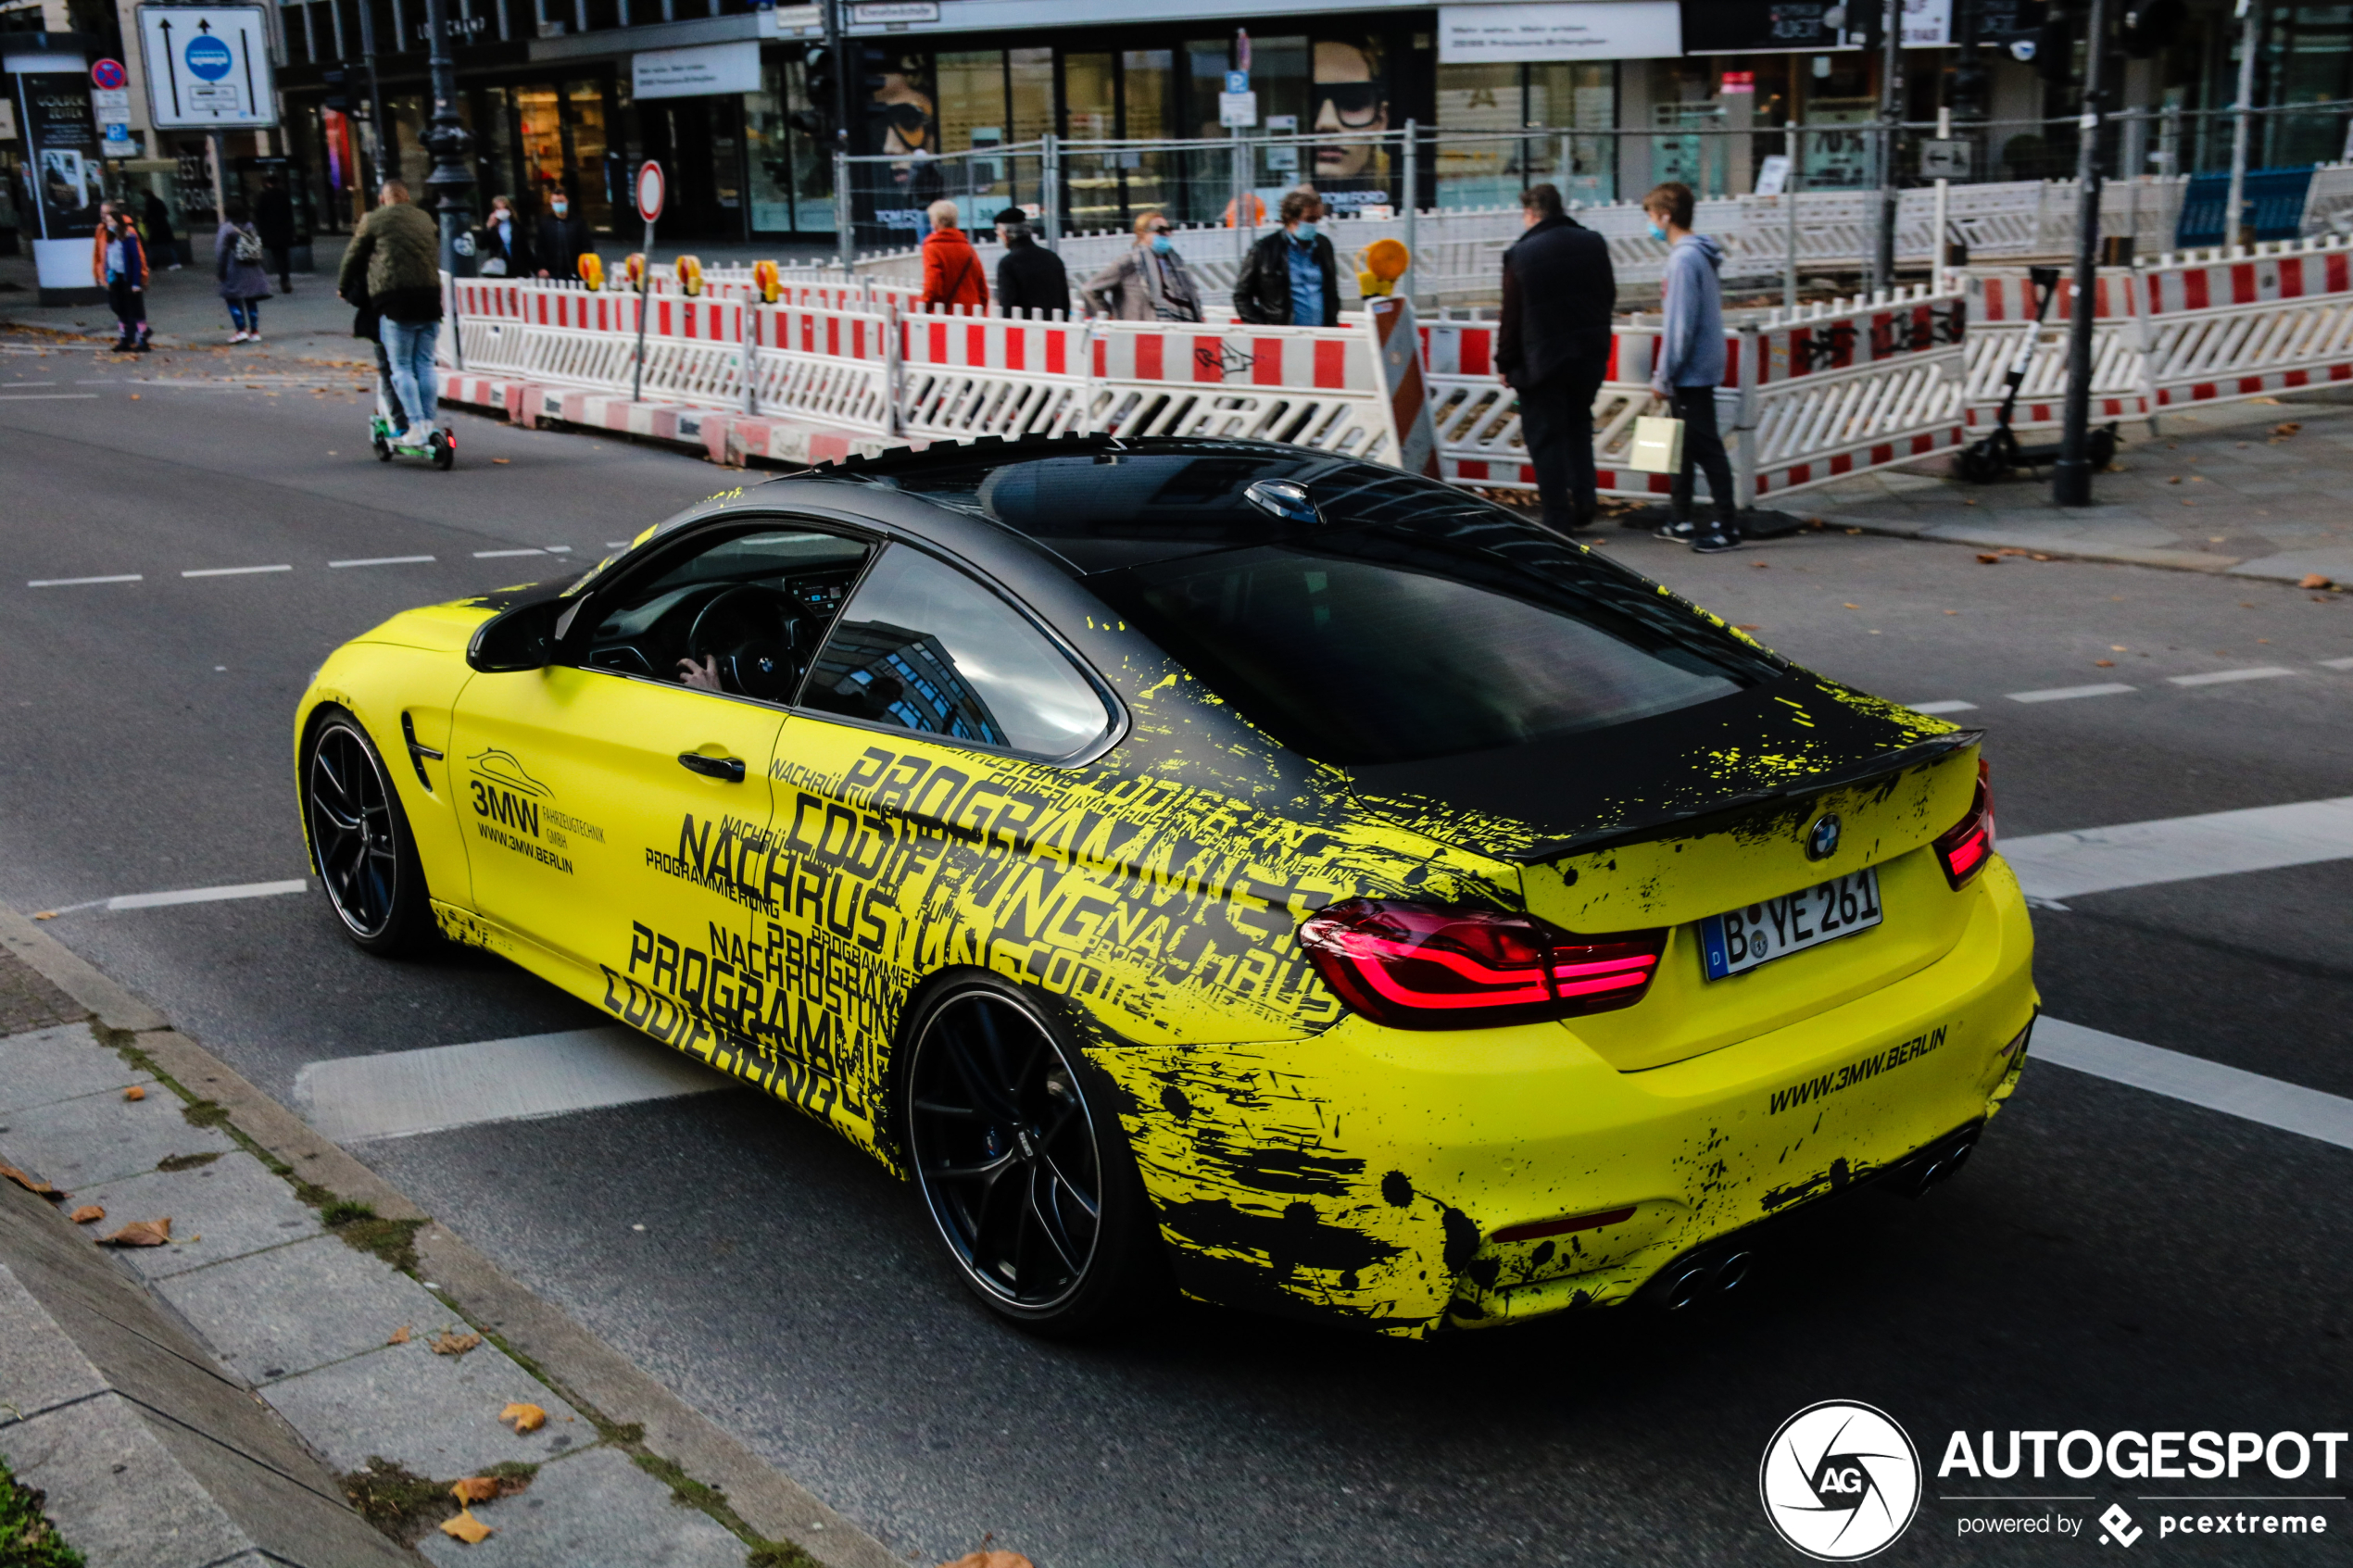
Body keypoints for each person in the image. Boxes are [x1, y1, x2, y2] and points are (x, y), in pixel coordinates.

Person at [1496, 182, 1614, 534]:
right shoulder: (1593, 243)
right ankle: (1585, 499)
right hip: (1589, 354)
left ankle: (1557, 517)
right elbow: (1608, 294)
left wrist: (1505, 361)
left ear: (1531, 213)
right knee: (1579, 425)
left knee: (1545, 437)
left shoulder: (1521, 254)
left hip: (1542, 358)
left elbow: (1511, 315)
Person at [1643, 181, 1740, 553]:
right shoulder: (1699, 255)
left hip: (1690, 369)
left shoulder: (1682, 260)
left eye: (1651, 216)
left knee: (1704, 446)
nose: (1650, 224)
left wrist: (1663, 375)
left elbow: (1679, 326)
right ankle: (1680, 516)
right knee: (1682, 444)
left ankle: (1726, 525)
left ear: (1665, 217)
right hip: (1700, 363)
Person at [337, 180, 445, 447]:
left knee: (401, 368)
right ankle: (430, 423)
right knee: (425, 364)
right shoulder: (424, 218)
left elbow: (353, 255)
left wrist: (343, 286)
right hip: (431, 299)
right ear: (406, 198)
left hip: (395, 301)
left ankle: (415, 425)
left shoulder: (374, 219)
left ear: (383, 199)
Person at [1233, 189, 1339, 327]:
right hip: (1283, 336)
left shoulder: (1323, 246)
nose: (1314, 225)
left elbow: (1331, 291)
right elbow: (1241, 296)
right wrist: (1264, 327)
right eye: (1309, 219)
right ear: (1290, 218)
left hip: (1322, 334)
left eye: (1317, 219)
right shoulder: (1265, 249)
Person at [1083, 209, 1202, 322]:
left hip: (1174, 332)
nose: (1166, 234)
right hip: (1139, 334)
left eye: (1169, 229)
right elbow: (1090, 289)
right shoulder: (1131, 261)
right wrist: (1109, 316)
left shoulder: (1175, 263)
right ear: (1142, 233)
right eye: (1160, 230)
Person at [92, 204, 150, 353]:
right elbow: (99, 255)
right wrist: (99, 274)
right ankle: (125, 337)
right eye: (104, 216)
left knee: (135, 309)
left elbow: (137, 259)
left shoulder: (128, 235)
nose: (106, 221)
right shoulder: (103, 232)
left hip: (128, 277)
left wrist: (138, 281)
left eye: (109, 218)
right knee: (118, 308)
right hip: (113, 277)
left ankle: (142, 338)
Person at [992, 207, 1068, 315]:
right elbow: (1065, 301)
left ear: (1005, 234)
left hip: (1026, 328)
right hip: (1055, 328)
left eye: (998, 231)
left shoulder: (1008, 263)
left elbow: (1007, 305)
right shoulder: (1053, 258)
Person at [216, 199, 272, 344]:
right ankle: (254, 331)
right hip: (252, 267)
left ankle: (241, 330)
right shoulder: (250, 226)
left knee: (232, 298)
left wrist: (220, 271)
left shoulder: (226, 228)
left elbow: (220, 251)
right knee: (251, 299)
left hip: (234, 268)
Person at [919, 199, 988, 310]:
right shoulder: (969, 249)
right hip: (972, 314)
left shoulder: (933, 248)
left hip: (945, 315)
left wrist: (922, 307)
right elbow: (983, 290)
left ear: (935, 222)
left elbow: (933, 286)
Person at [534, 189, 589, 280]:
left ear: (567, 202)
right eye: (556, 202)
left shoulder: (578, 222)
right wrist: (541, 267)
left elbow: (586, 245)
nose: (558, 204)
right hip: (553, 273)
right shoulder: (545, 223)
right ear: (551, 203)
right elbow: (539, 247)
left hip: (576, 272)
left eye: (561, 201)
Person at [255, 175, 296, 293]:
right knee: (285, 255)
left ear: (267, 183)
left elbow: (259, 214)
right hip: (284, 230)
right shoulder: (284, 195)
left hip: (271, 232)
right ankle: (285, 278)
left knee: (277, 255)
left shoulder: (264, 196)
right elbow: (289, 213)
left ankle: (283, 278)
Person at [476, 194, 529, 278]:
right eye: (498, 208)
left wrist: (536, 269)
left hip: (517, 269)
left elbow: (525, 250)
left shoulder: (516, 227)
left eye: (504, 208)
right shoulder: (492, 228)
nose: (502, 211)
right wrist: (488, 228)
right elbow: (481, 245)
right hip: (499, 270)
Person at [140, 189, 182, 270]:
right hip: (164, 226)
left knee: (151, 246)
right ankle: (176, 262)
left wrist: (145, 221)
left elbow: (147, 215)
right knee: (170, 245)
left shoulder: (149, 203)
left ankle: (150, 264)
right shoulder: (158, 201)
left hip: (155, 228)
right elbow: (166, 212)